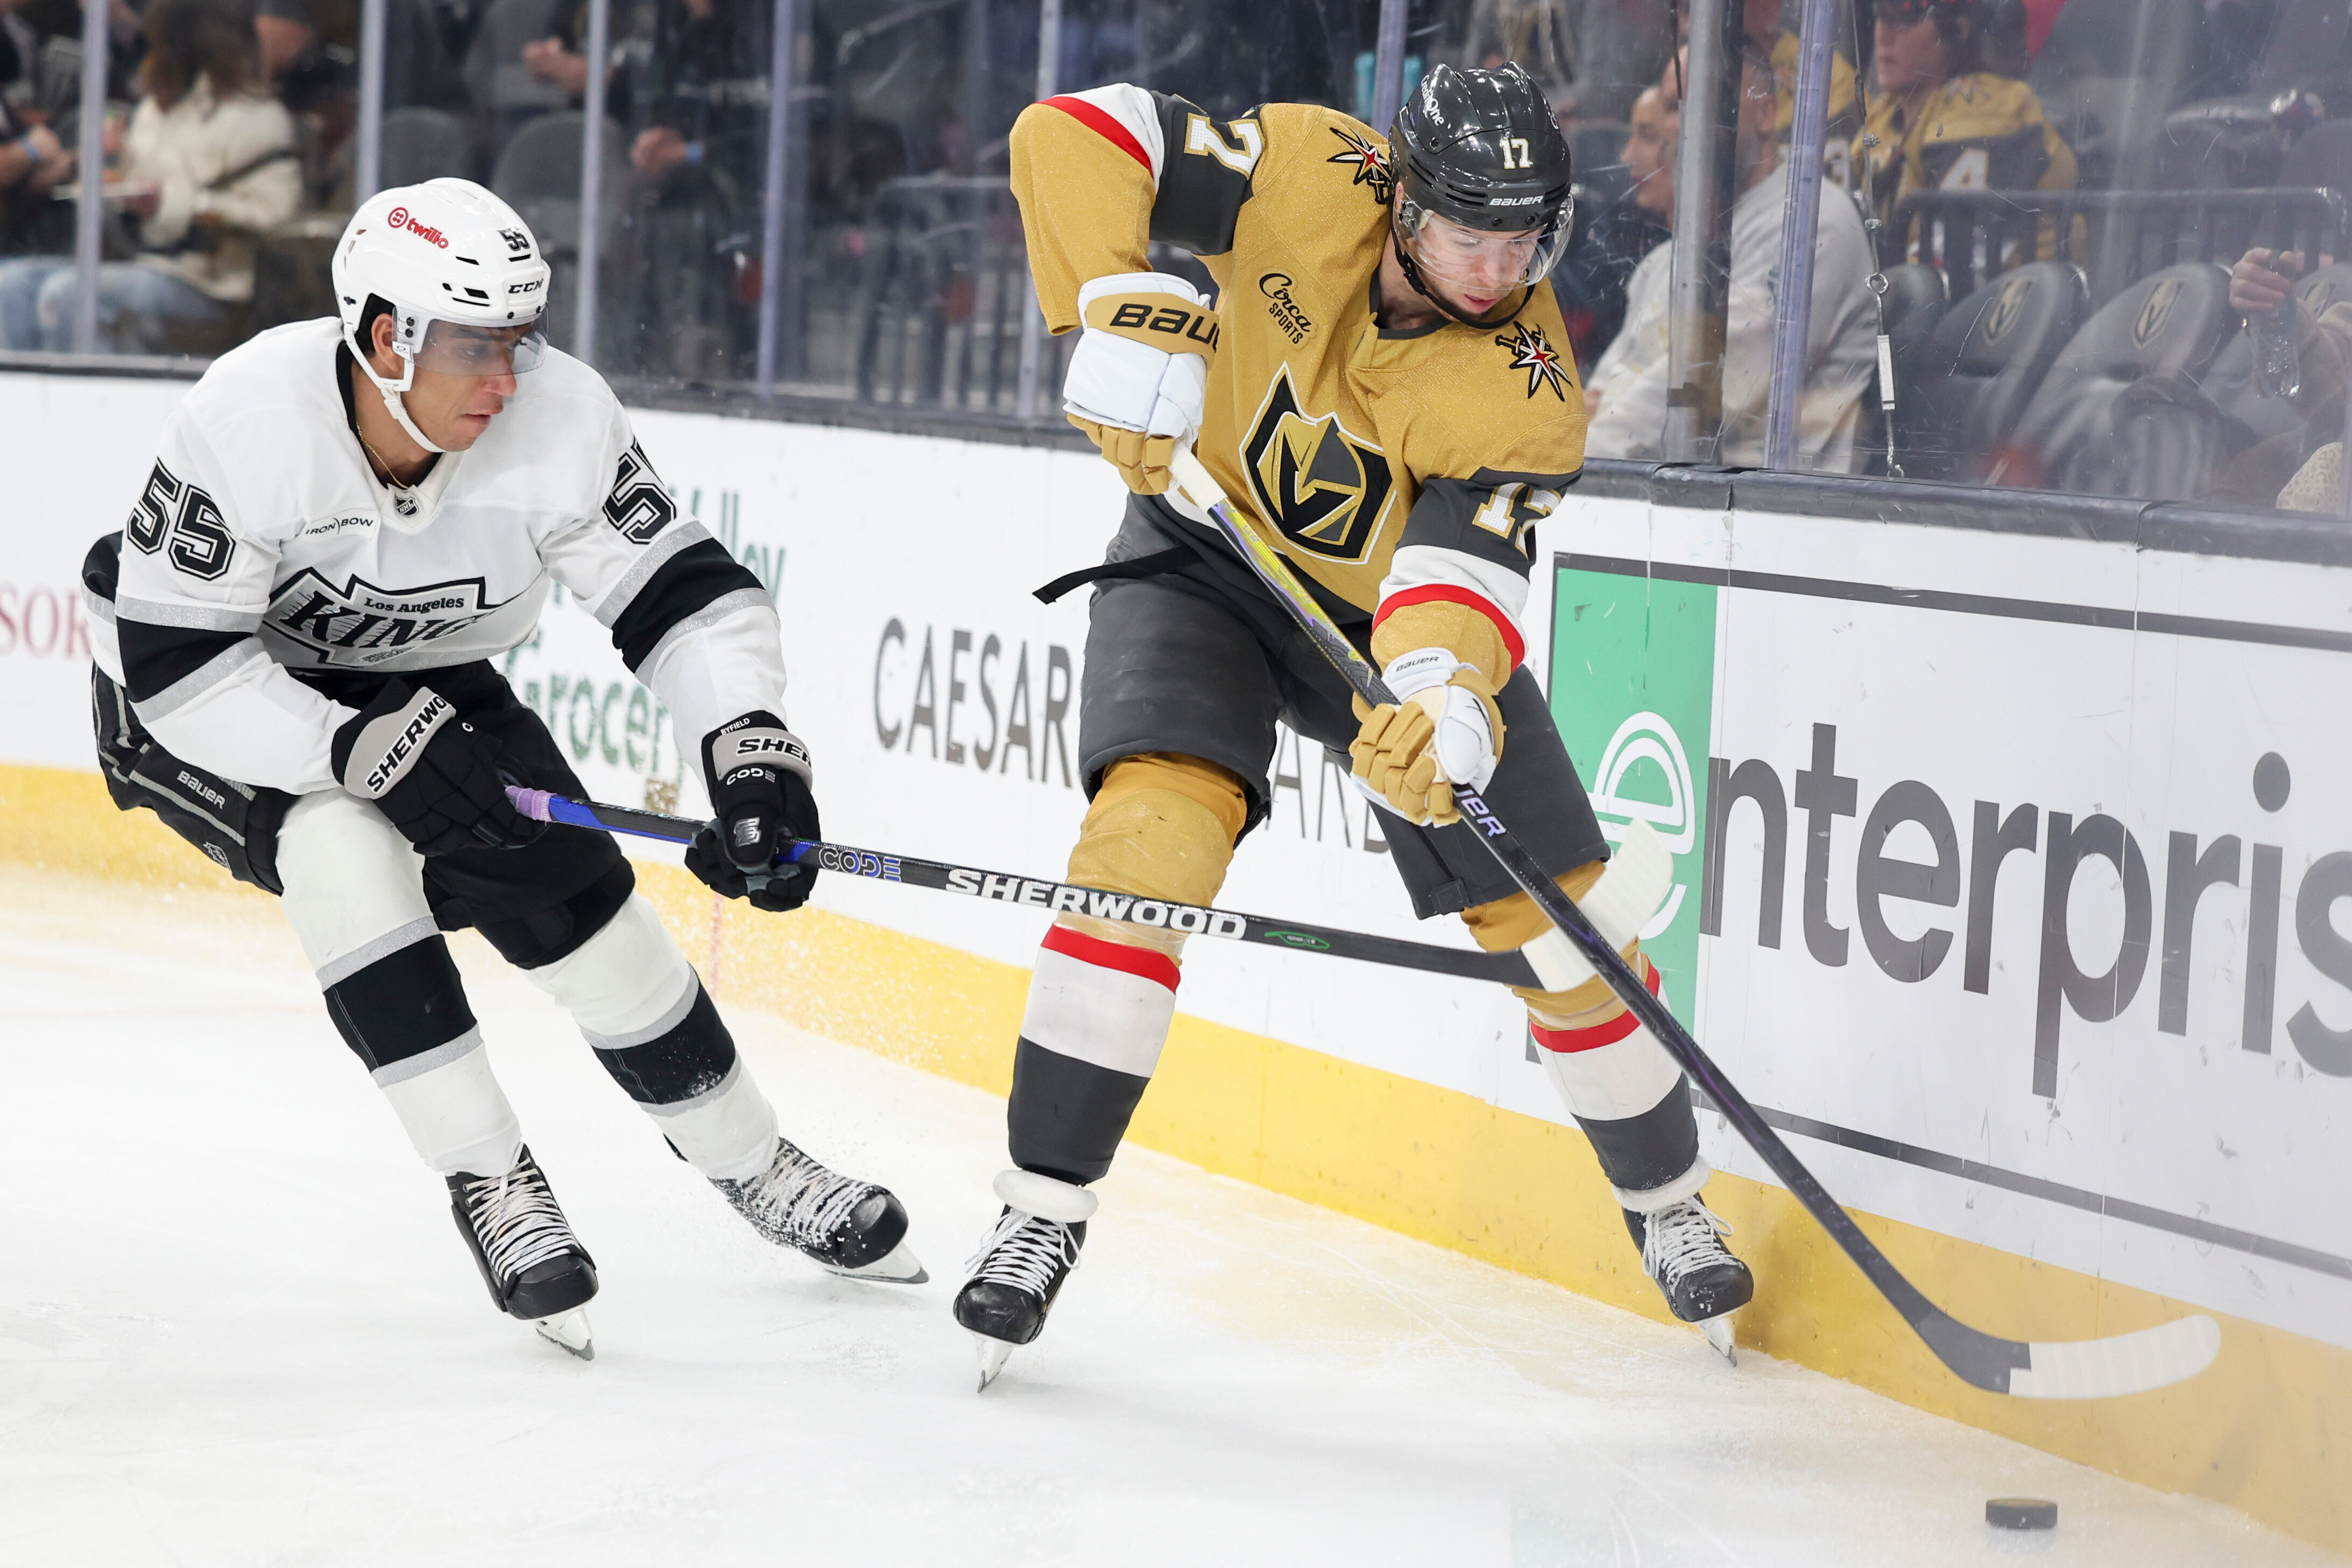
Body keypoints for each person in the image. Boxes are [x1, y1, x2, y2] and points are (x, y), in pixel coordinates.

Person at [953, 61, 1755, 1388]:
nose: (1495, 266)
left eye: (1521, 237)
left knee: (1557, 920)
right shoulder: (1309, 168)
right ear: (1401, 204)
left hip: (1378, 628)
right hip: (1197, 553)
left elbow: (1457, 586)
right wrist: (1109, 306)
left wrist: (1444, 709)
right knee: (1149, 839)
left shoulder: (1526, 383)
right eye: (1464, 232)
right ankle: (1039, 1206)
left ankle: (1667, 1200)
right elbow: (1075, 129)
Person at [80, 178, 923, 1360]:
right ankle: (490, 1176)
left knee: (571, 889)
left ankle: (750, 1159)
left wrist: (747, 745)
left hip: (416, 680)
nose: (508, 378)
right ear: (385, 336)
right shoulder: (252, 415)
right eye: (478, 345)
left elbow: (683, 597)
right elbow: (178, 667)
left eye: (519, 339)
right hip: (213, 698)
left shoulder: (559, 417)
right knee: (343, 843)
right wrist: (342, 749)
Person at [1585, 50, 1876, 468]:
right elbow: (1605, 392)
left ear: (1764, 114)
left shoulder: (1811, 223)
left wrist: (1580, 459)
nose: (1678, 126)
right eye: (1671, 107)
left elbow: (1715, 382)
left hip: (1778, 510)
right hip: (1668, 490)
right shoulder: (1674, 256)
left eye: (1697, 99)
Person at [0, 0, 299, 353]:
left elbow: (277, 216)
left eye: (161, 43)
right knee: (10, 284)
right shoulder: (154, 111)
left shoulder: (259, 117)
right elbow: (128, 181)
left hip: (211, 282)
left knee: (68, 294)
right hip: (138, 263)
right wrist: (106, 172)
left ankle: (89, 403)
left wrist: (174, 203)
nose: (153, 54)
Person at [1849, 0, 2073, 236]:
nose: (1883, 35)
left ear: (1957, 30)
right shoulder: (1881, 120)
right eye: (1880, 15)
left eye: (1905, 18)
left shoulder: (1993, 113)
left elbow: (1962, 261)